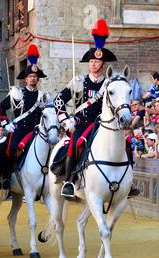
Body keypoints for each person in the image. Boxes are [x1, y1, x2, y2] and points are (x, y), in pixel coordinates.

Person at [53, 19, 139, 199]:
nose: (93, 64)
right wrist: (65, 120)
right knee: (75, 143)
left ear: (103, 64)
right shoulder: (78, 81)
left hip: (104, 123)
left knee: (127, 144)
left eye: (97, 61)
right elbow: (58, 101)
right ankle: (69, 181)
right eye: (91, 61)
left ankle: (129, 182)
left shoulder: (111, 84)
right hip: (83, 123)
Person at [0, 44, 49, 191]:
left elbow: (50, 112)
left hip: (36, 130)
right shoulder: (17, 93)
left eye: (35, 77)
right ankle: (7, 177)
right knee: (11, 148)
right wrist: (6, 123)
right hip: (20, 129)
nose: (33, 79)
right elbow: (0, 108)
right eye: (30, 77)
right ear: (25, 79)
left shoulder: (43, 96)